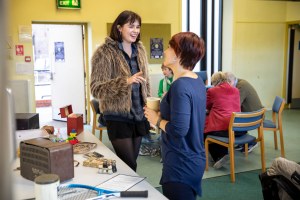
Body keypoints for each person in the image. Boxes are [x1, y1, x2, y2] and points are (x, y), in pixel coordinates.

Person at [144, 32, 206, 200]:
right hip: (194, 158)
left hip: (181, 163)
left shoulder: (180, 86)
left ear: (179, 55)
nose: (165, 50)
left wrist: (156, 120)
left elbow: (179, 129)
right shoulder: (197, 80)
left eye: (170, 47)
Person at [90, 10, 150, 172]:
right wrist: (126, 82)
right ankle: (127, 194)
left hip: (139, 115)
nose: (135, 31)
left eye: (138, 27)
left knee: (131, 165)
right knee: (129, 164)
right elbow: (96, 88)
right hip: (117, 117)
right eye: (131, 26)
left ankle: (126, 194)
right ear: (119, 28)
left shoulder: (141, 50)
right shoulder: (104, 52)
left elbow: (146, 83)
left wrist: (149, 104)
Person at [204, 72, 241, 169]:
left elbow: (207, 106)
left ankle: (218, 157)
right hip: (238, 128)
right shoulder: (236, 90)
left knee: (206, 132)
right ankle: (222, 155)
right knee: (218, 127)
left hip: (224, 128)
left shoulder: (212, 91)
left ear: (214, 82)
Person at [225, 72, 264, 153]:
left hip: (254, 117)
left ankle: (251, 142)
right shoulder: (239, 82)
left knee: (231, 120)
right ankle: (243, 142)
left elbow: (235, 105)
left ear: (229, 82)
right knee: (233, 118)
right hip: (255, 113)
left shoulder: (241, 87)